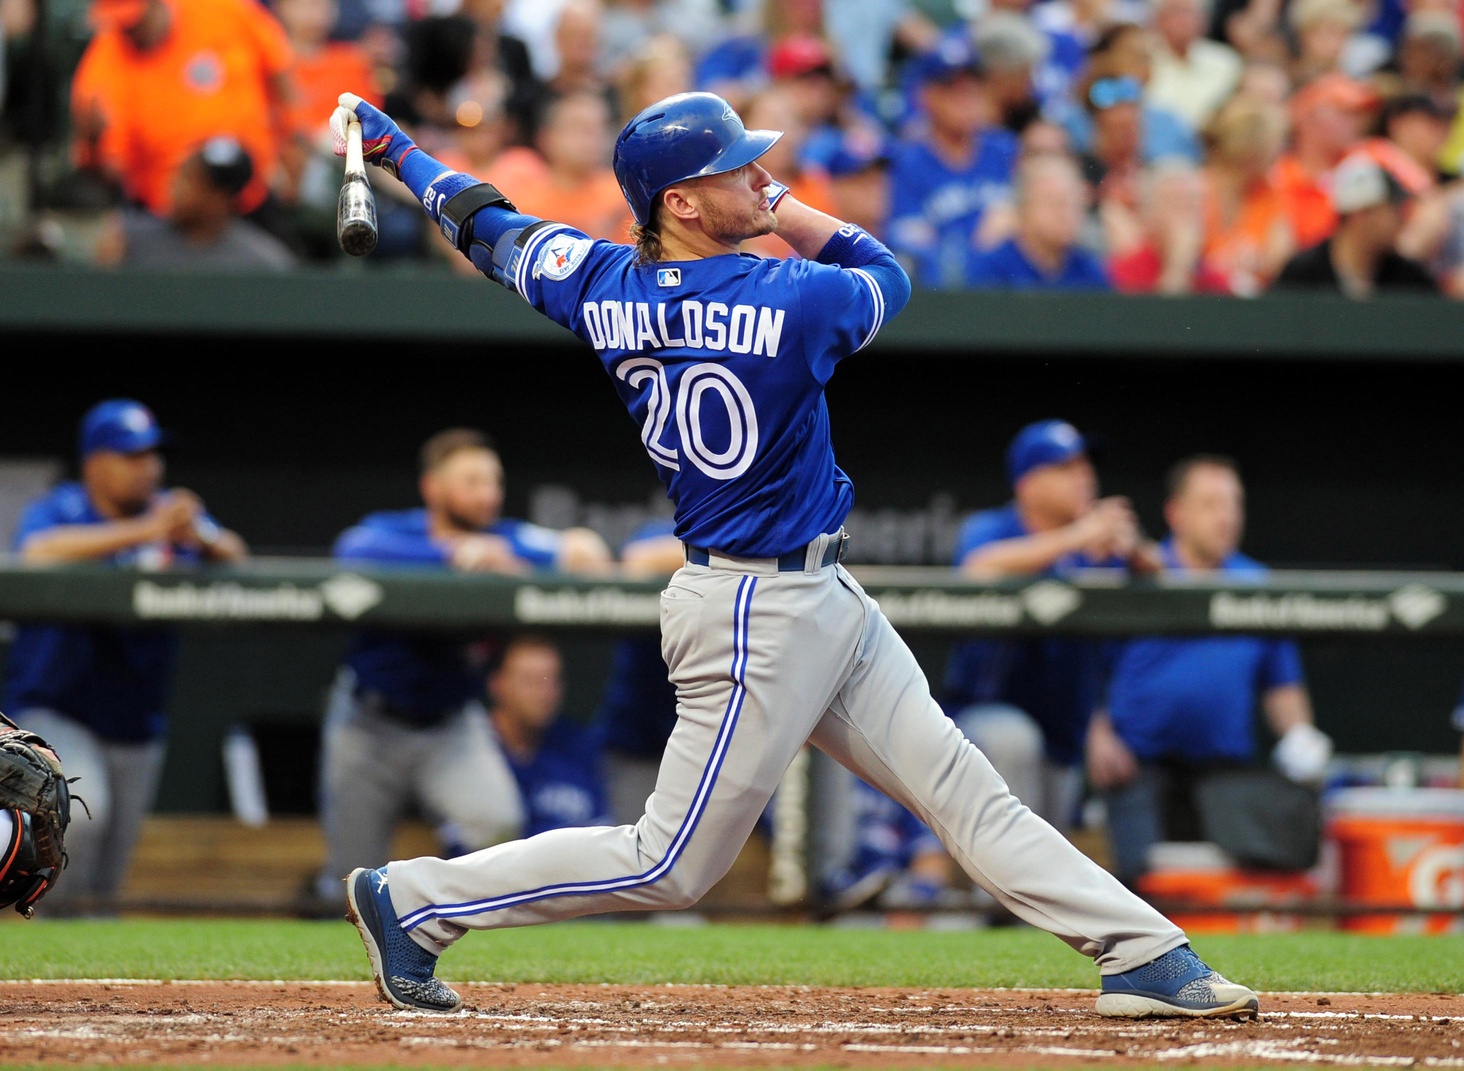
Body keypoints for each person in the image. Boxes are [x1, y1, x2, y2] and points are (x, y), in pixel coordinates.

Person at [331, 85, 1259, 1021]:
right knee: (669, 861)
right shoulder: (789, 296)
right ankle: (414, 899)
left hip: (820, 598)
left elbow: (487, 224)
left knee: (964, 787)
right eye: (732, 167)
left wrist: (394, 148)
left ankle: (1143, 953)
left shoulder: (599, 281)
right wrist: (783, 212)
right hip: (753, 610)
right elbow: (884, 269)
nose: (758, 173)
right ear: (681, 204)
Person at [315, 428, 612, 898]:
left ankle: (452, 931)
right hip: (371, 721)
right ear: (433, 487)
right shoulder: (395, 533)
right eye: (471, 482)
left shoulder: (506, 539)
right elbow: (353, 550)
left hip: (451, 724)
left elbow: (585, 553)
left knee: (497, 823)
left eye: (493, 482)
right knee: (351, 876)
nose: (487, 494)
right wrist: (451, 556)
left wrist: (512, 561)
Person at [3, 399, 248, 914]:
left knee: (110, 867)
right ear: (96, 463)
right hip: (57, 704)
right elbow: (37, 552)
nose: (149, 467)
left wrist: (198, 534)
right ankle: (46, 941)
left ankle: (92, 980)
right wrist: (149, 531)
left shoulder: (170, 515)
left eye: (153, 454)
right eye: (132, 455)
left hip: (136, 716)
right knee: (81, 820)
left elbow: (237, 557)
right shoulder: (65, 507)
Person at [1086, 455, 1333, 887]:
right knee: (1146, 897)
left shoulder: (1256, 585)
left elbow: (1282, 686)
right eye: (1212, 504)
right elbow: (1087, 673)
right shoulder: (1137, 573)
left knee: (1225, 894)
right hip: (1138, 766)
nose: (1227, 517)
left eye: (1234, 504)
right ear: (1176, 513)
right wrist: (1097, 734)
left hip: (1223, 772)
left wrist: (1300, 737)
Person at [943, 420, 1159, 832]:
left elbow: (1162, 577)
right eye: (1065, 467)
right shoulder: (992, 529)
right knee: (1014, 742)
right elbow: (976, 567)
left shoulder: (1094, 545)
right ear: (1027, 483)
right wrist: (1077, 536)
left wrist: (1135, 551)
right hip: (982, 720)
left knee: (1047, 846)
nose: (1084, 477)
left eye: (1085, 465)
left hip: (1064, 732)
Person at [70, 0, 297, 222]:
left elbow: (280, 71)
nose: (130, 30)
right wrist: (93, 143)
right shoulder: (103, 66)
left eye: (135, 20)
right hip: (168, 215)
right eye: (120, 24)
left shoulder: (221, 10)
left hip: (251, 193)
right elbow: (113, 172)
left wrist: (291, 143)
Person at [886, 38, 1020, 289]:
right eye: (954, 90)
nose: (967, 99)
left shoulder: (1006, 150)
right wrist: (978, 246)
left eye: (973, 88)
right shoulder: (907, 162)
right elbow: (910, 247)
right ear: (927, 96)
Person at [93, 136, 297, 271]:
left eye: (192, 181)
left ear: (222, 199)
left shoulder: (261, 262)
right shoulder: (128, 241)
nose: (176, 187)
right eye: (180, 176)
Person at [483, 635, 611, 839]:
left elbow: (601, 834)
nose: (544, 693)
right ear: (497, 684)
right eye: (530, 681)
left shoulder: (576, 746)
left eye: (551, 681)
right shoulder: (472, 747)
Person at [1272, 152, 1439, 295]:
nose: (1403, 220)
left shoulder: (1410, 279)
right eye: (1394, 210)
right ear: (1360, 214)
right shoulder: (1303, 274)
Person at [965, 154, 1111, 289]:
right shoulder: (991, 271)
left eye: (1074, 204)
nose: (1066, 215)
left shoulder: (1089, 272)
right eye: (1056, 204)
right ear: (1024, 209)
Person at [1145, 0, 1242, 132]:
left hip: (1215, 140)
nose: (1184, 20)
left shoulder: (1226, 62)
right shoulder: (1145, 61)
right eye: (1176, 12)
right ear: (1157, 18)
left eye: (1190, 12)